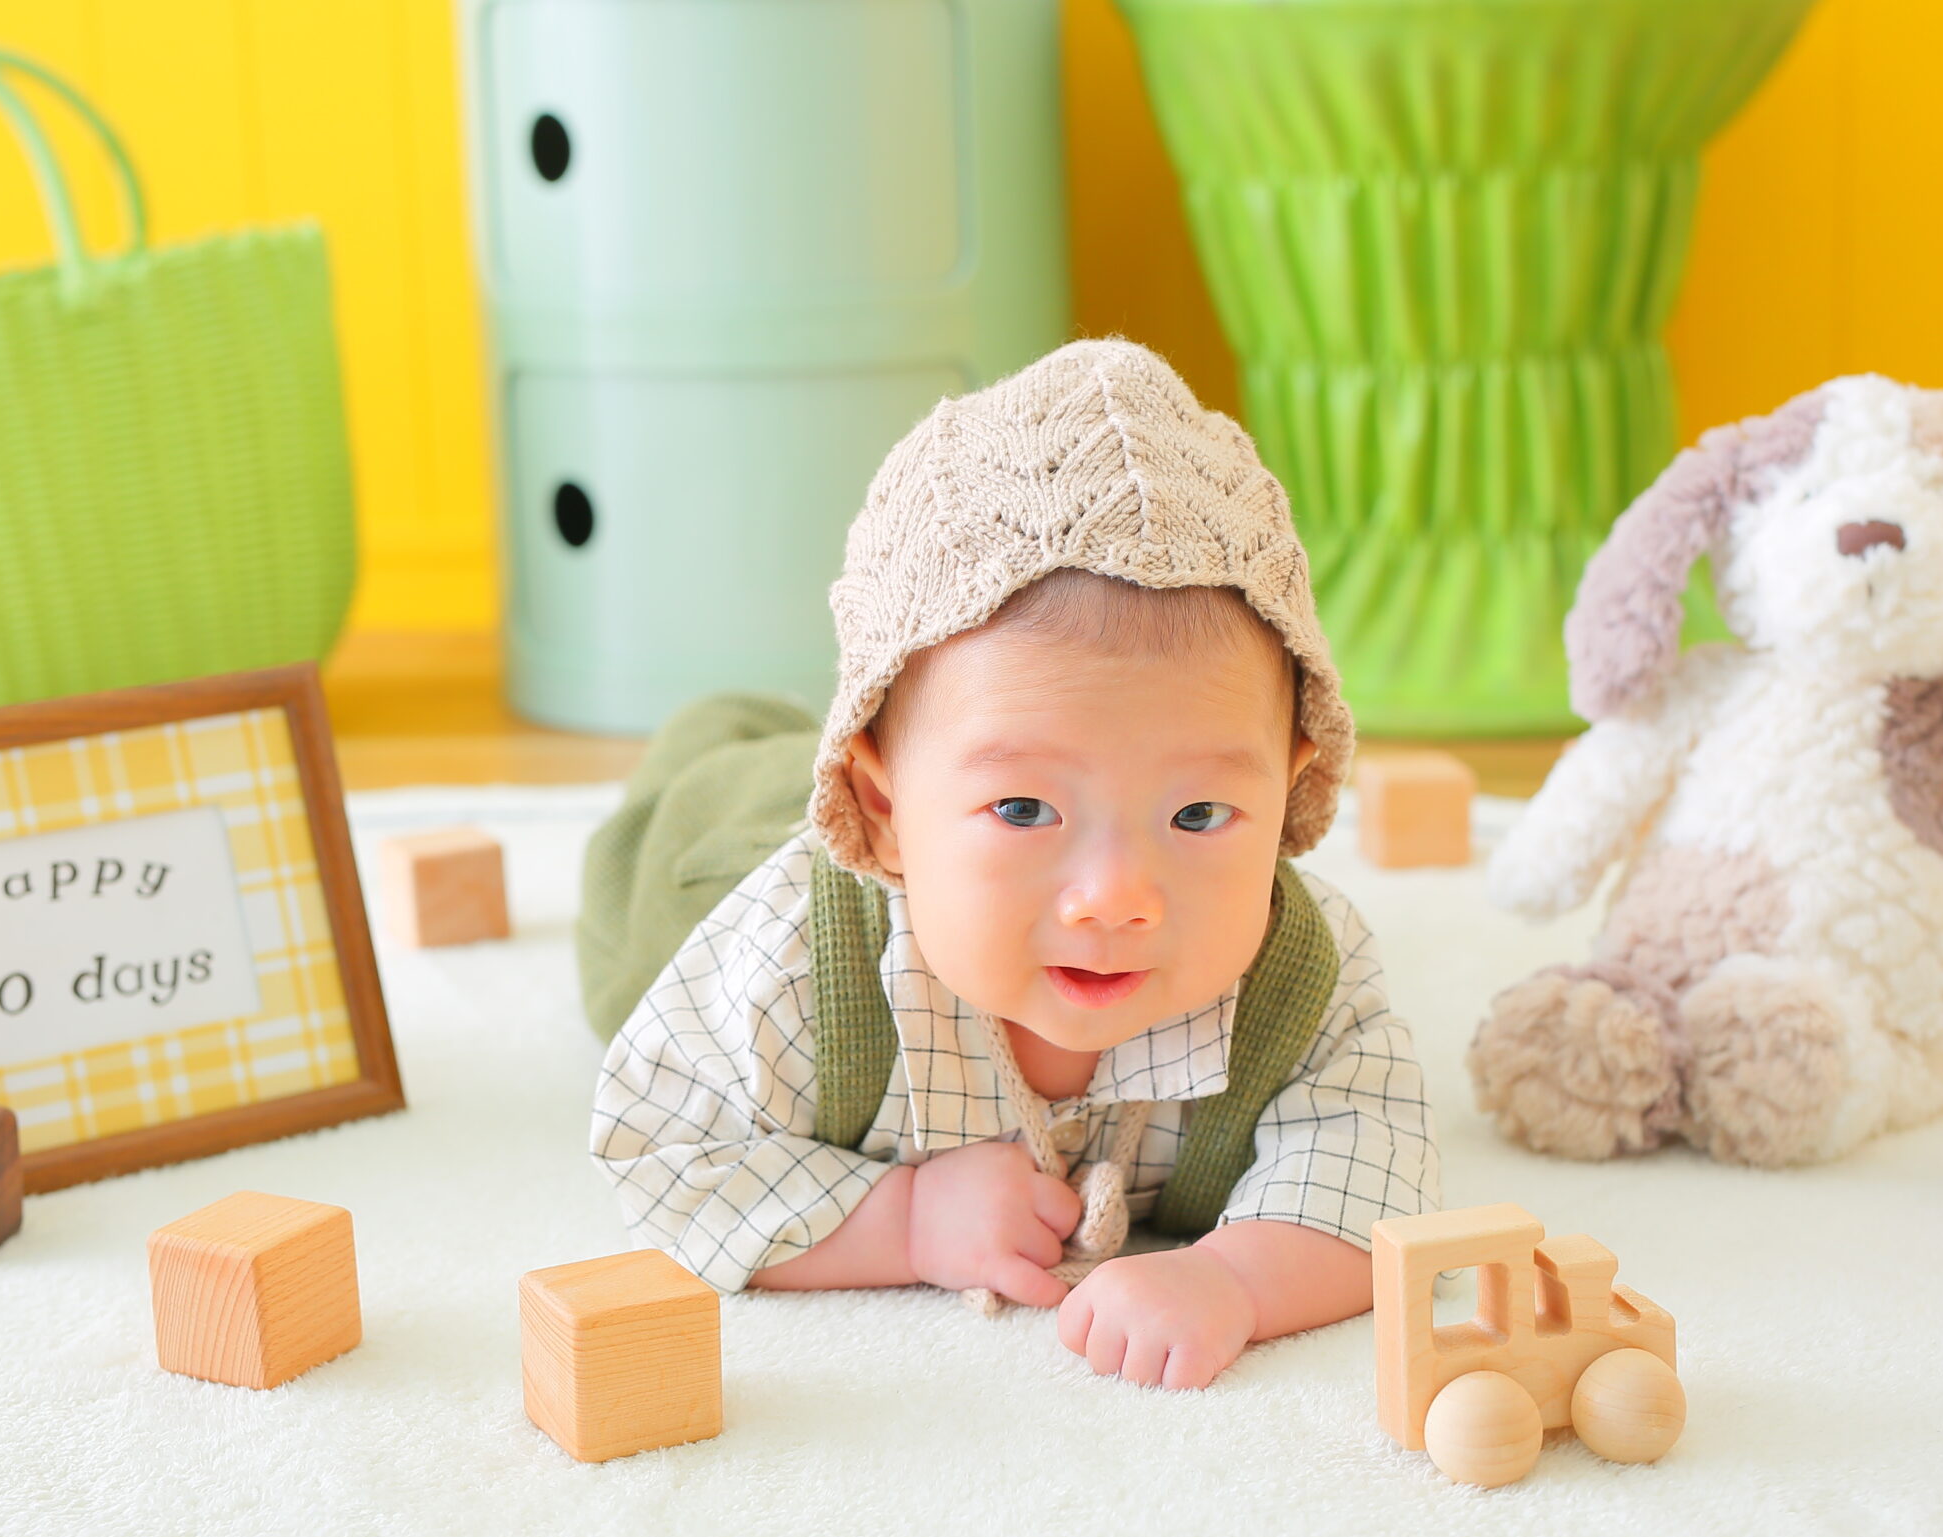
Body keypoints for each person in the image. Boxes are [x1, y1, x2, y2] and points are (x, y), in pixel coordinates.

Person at [583, 339, 1437, 1389]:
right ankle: (726, 732)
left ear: (1289, 791)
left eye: (1199, 813)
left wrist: (1236, 1280)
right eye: (1025, 809)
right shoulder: (793, 958)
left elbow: (1377, 1168)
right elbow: (660, 1151)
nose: (1115, 898)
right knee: (693, 795)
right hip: (714, 843)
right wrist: (904, 1218)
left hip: (921, 783)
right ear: (881, 811)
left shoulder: (1303, 975)